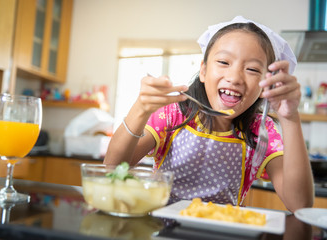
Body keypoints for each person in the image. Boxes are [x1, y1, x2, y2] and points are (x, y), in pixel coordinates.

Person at [104, 16, 314, 212]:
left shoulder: (262, 130)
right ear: (203, 70)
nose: (235, 77)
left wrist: (290, 118)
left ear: (264, 85)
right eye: (224, 62)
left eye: (252, 69)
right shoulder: (173, 114)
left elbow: (300, 205)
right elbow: (112, 168)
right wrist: (140, 109)